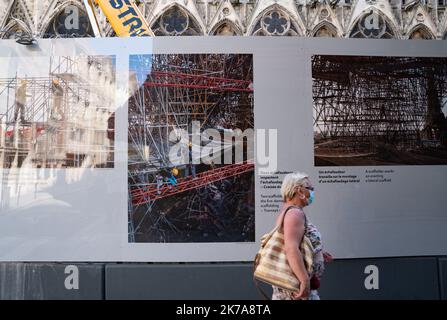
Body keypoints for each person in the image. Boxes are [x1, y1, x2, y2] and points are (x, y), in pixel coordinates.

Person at [271, 172, 331, 300]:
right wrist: (304, 280)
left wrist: (316, 251)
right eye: (310, 189)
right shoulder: (294, 214)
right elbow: (291, 248)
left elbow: (294, 243)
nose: (312, 193)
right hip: (295, 287)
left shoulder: (289, 211)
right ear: (299, 190)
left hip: (291, 286)